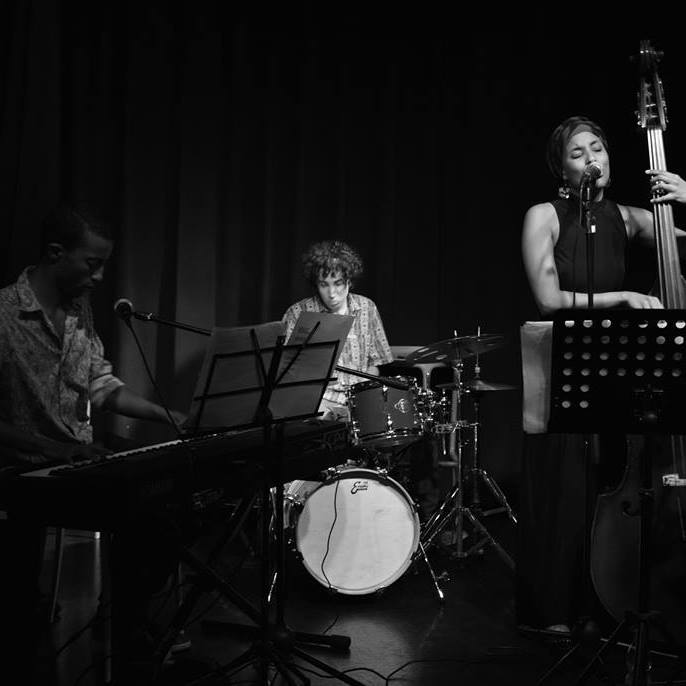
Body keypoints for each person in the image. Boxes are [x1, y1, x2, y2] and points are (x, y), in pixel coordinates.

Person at [0, 203, 187, 684]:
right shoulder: (3, 315)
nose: (100, 277)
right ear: (55, 253)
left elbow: (100, 385)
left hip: (74, 464)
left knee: (166, 513)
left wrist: (170, 416)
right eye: (92, 264)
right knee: (18, 589)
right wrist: (54, 449)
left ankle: (124, 634)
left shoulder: (79, 313)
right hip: (19, 471)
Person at [517, 115, 686, 636]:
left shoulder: (627, 217)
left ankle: (602, 600)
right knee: (566, 485)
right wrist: (623, 297)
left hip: (613, 368)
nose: (593, 158)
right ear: (562, 169)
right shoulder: (543, 215)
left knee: (607, 482)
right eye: (578, 153)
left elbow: (676, 242)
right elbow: (548, 299)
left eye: (598, 148)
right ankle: (553, 609)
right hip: (565, 364)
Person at [282, 239, 394, 421]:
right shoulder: (298, 313)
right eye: (324, 284)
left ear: (349, 280)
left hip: (359, 398)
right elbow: (286, 373)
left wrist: (361, 393)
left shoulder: (367, 307)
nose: (332, 293)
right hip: (319, 402)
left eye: (338, 283)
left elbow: (375, 363)